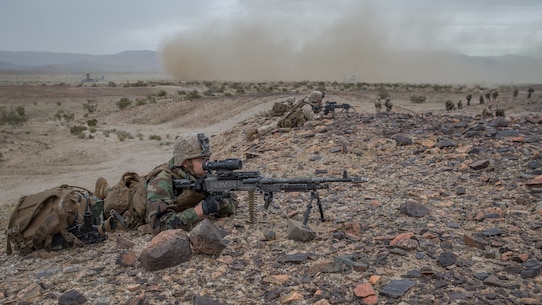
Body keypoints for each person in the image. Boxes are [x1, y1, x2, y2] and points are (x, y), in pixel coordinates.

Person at [96, 133, 238, 233]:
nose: (208, 163)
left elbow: (232, 204)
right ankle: (105, 191)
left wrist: (220, 203)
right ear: (185, 162)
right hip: (130, 206)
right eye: (201, 159)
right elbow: (160, 225)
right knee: (109, 199)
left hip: (151, 193)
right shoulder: (162, 181)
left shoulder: (203, 173)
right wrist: (201, 210)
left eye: (208, 158)